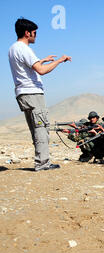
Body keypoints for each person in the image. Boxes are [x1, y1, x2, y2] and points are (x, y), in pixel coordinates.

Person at [8, 18, 71, 171]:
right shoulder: (24, 48)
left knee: (35, 128)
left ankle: (41, 161)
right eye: (34, 33)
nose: (35, 36)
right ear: (27, 33)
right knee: (41, 128)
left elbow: (27, 67)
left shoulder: (13, 48)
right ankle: (43, 163)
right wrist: (59, 61)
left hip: (23, 93)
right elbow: (41, 71)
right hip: (32, 93)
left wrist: (43, 60)